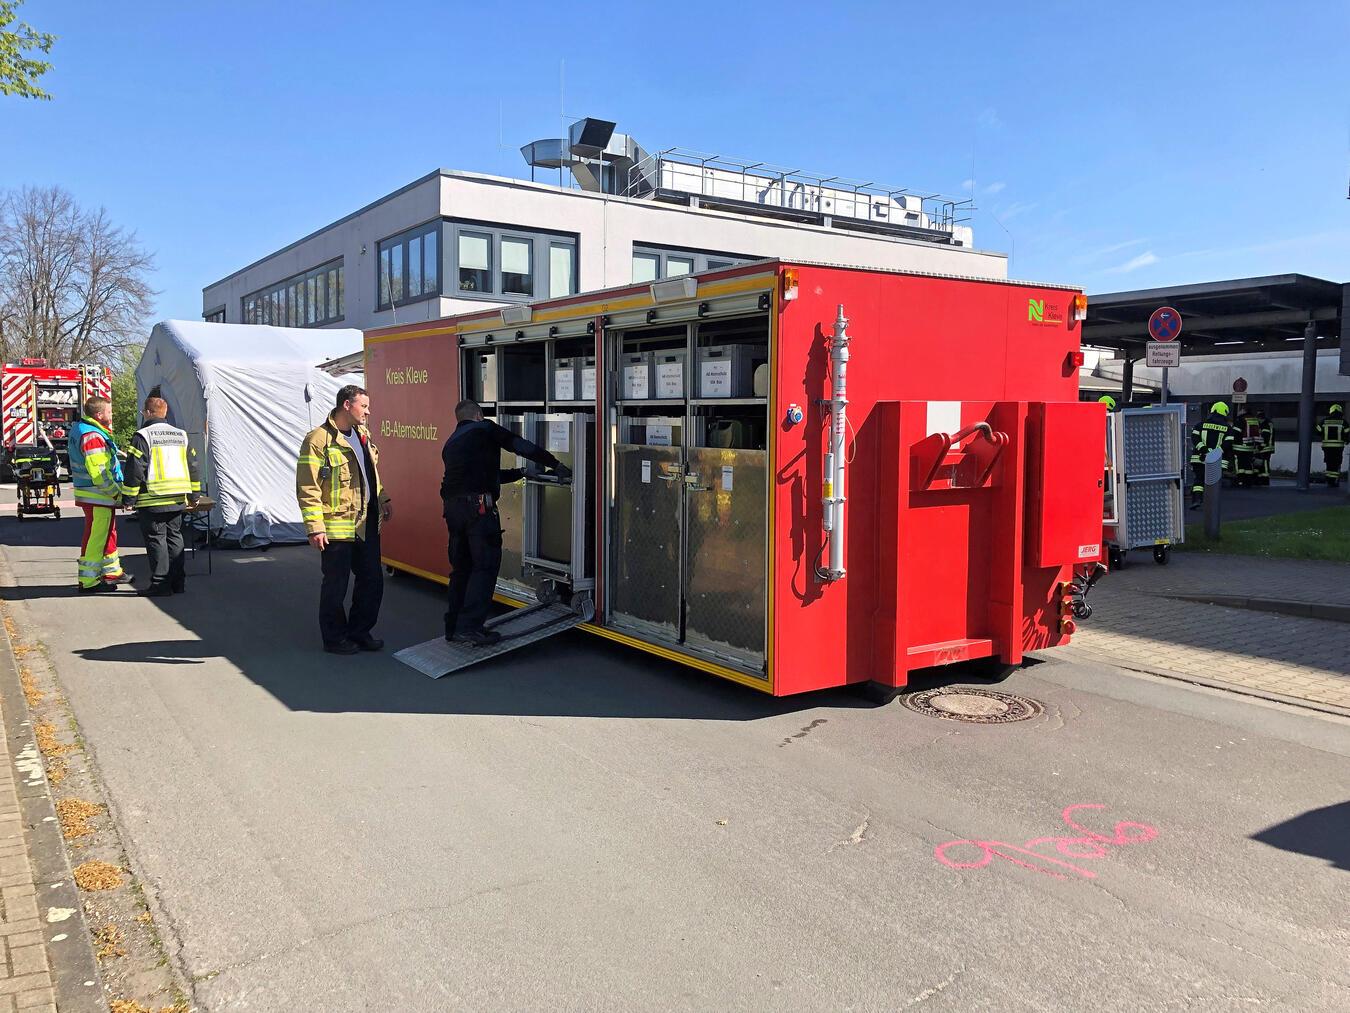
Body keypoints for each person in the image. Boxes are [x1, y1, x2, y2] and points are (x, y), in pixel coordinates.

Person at [441, 399, 570, 646]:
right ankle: (470, 628)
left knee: (462, 570)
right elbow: (519, 445)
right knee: (485, 566)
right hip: (478, 510)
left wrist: (521, 473)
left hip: (453, 511)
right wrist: (554, 463)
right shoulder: (485, 428)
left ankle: (454, 627)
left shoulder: (451, 443)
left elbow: (486, 476)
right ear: (478, 414)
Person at [296, 385, 392, 655]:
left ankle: (360, 632)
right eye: (364, 406)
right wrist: (315, 528)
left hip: (366, 523)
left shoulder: (363, 436)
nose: (368, 412)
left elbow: (370, 473)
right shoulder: (318, 440)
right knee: (336, 586)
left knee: (372, 581)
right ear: (347, 405)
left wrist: (383, 499)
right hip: (337, 528)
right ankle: (335, 638)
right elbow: (308, 486)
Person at [122, 396, 201, 597]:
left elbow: (135, 469)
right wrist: (195, 494)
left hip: (153, 498)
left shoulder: (143, 436)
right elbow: (193, 465)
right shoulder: (181, 435)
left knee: (157, 540)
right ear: (165, 413)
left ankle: (160, 585)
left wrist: (129, 498)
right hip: (176, 498)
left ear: (147, 413)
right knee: (175, 538)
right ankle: (178, 583)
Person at [68, 396, 134, 593]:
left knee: (106, 534)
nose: (111, 415)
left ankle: (112, 572)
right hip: (98, 495)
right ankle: (89, 582)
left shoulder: (86, 430)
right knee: (96, 537)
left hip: (95, 496)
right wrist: (116, 494)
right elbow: (100, 474)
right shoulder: (92, 436)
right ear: (98, 414)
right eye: (109, 412)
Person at [1190, 401, 1234, 508]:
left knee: (1199, 479)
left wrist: (1204, 451)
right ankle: (1212, 504)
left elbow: (1195, 439)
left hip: (1200, 458)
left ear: (1213, 411)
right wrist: (1215, 454)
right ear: (1224, 413)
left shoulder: (1200, 425)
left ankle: (1197, 499)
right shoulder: (1227, 428)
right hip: (1217, 460)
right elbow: (1228, 444)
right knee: (1213, 482)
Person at [1316, 403, 1345, 488]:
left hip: (1327, 447)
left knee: (1329, 463)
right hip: (1338, 448)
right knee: (1336, 464)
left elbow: (1317, 431)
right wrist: (1346, 440)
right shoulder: (1343, 422)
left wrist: (1323, 435)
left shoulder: (1324, 421)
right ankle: (1334, 481)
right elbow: (1347, 433)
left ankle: (1329, 480)